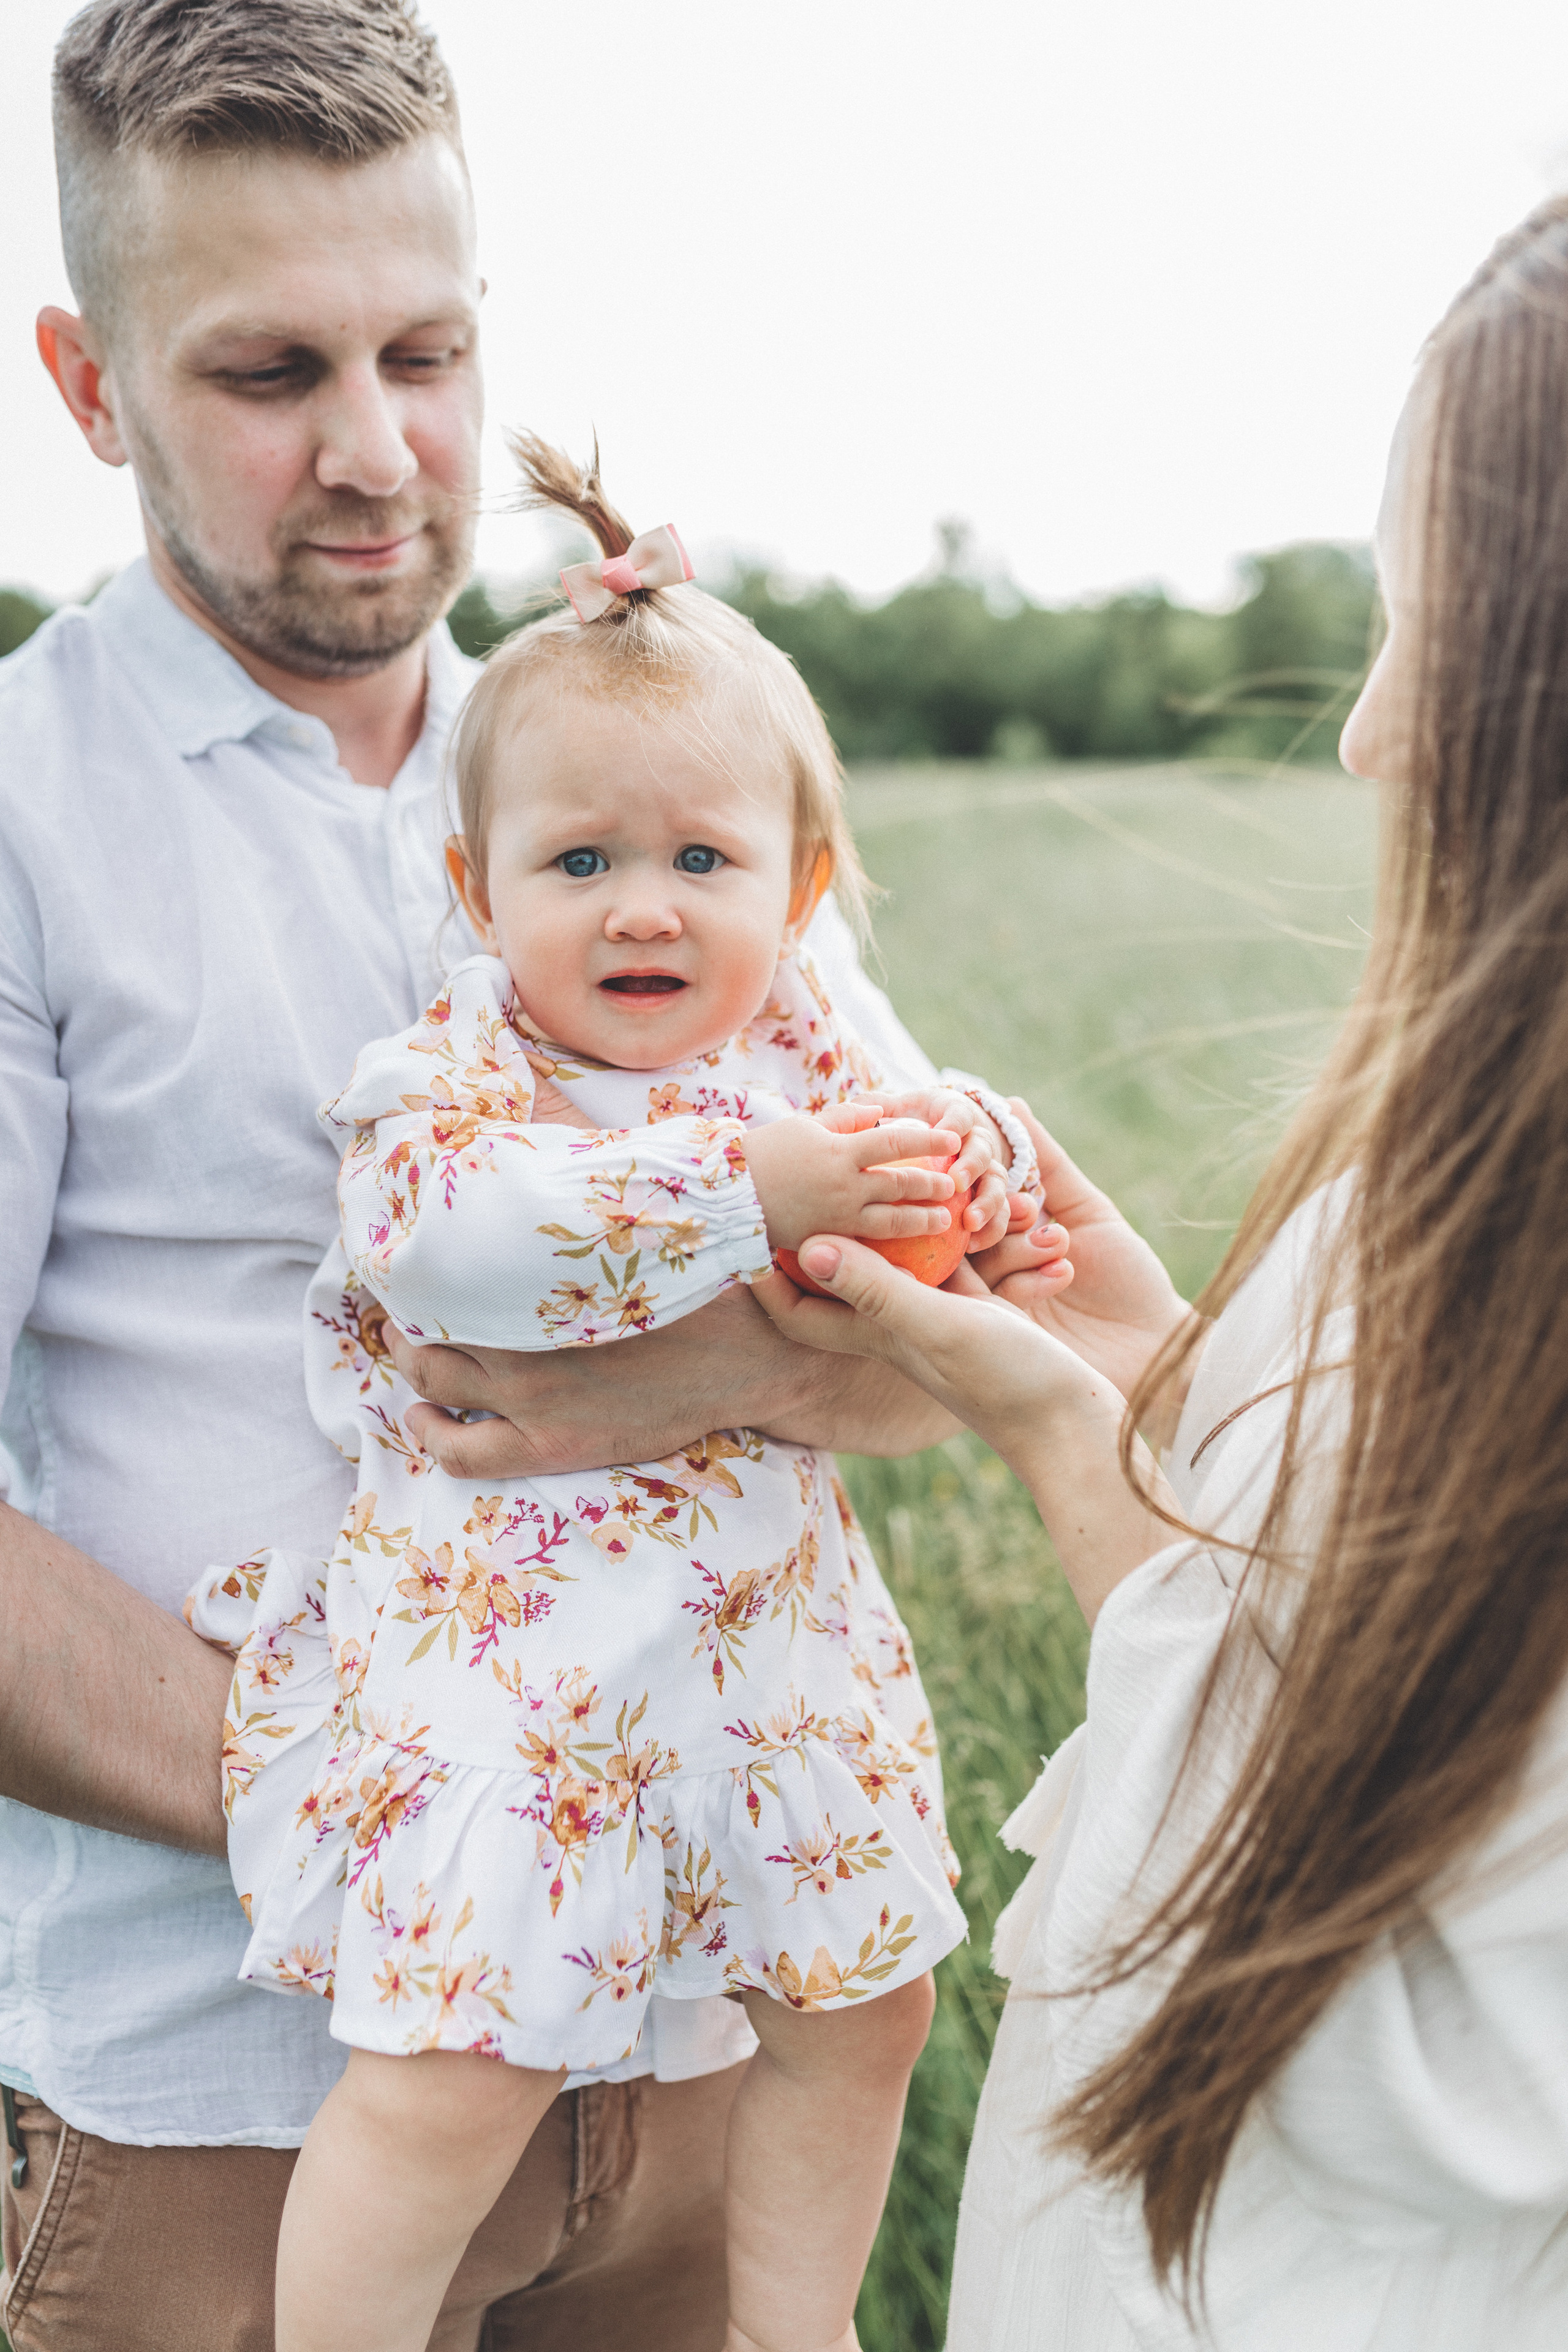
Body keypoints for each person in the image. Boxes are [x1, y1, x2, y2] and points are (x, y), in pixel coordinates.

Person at [0, 8, 1061, 2346]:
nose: (379, 452)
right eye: (269, 369)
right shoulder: (22, 812)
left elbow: (950, 1335)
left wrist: (648, 1396)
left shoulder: (636, 765)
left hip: (692, 2065)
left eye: (429, 351)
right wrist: (423, 1808)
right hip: (234, 2089)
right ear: (87, 387)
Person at [756, 196, 1568, 2351]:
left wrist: (1081, 1471)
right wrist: (1170, 1377)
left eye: (1444, 628)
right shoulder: (1455, 1151)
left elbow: (1429, 2048)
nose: (1372, 731)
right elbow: (1374, 1630)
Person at [184, 435, 1044, 2352]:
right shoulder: (456, 1085)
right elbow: (459, 1249)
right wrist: (763, 1192)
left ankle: (791, 2333)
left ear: (798, 889)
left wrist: (967, 1167)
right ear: (483, 897)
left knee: (866, 2004)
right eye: (581, 864)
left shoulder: (805, 1054)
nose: (643, 909)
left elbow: (933, 1207)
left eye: (701, 862)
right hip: (528, 1685)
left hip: (768, 1667)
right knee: (451, 2072)